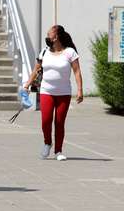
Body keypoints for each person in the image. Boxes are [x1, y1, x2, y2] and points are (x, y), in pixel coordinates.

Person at [24, 25, 83, 161]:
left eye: (49, 34)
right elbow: (35, 70)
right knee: (46, 121)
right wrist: (27, 84)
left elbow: (77, 71)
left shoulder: (70, 52)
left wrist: (79, 90)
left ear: (56, 37)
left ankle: (58, 151)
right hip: (46, 91)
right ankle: (47, 142)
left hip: (64, 93)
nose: (47, 37)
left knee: (59, 122)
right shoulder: (44, 52)